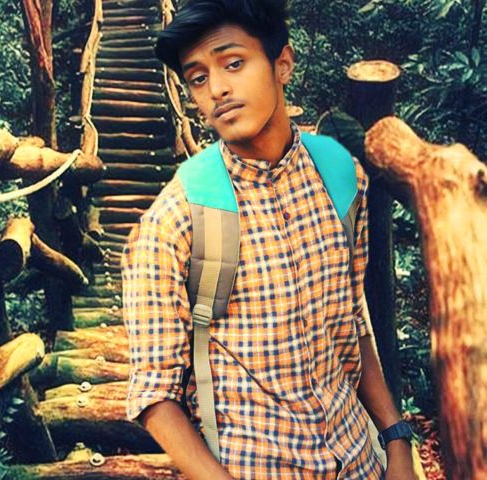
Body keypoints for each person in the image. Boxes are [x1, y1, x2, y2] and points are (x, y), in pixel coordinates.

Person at [121, 1, 418, 478]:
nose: (217, 89)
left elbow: (352, 322)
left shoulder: (342, 176)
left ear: (283, 64)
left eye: (233, 63)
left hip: (361, 460)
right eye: (198, 78)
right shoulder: (175, 220)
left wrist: (396, 438)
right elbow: (155, 395)